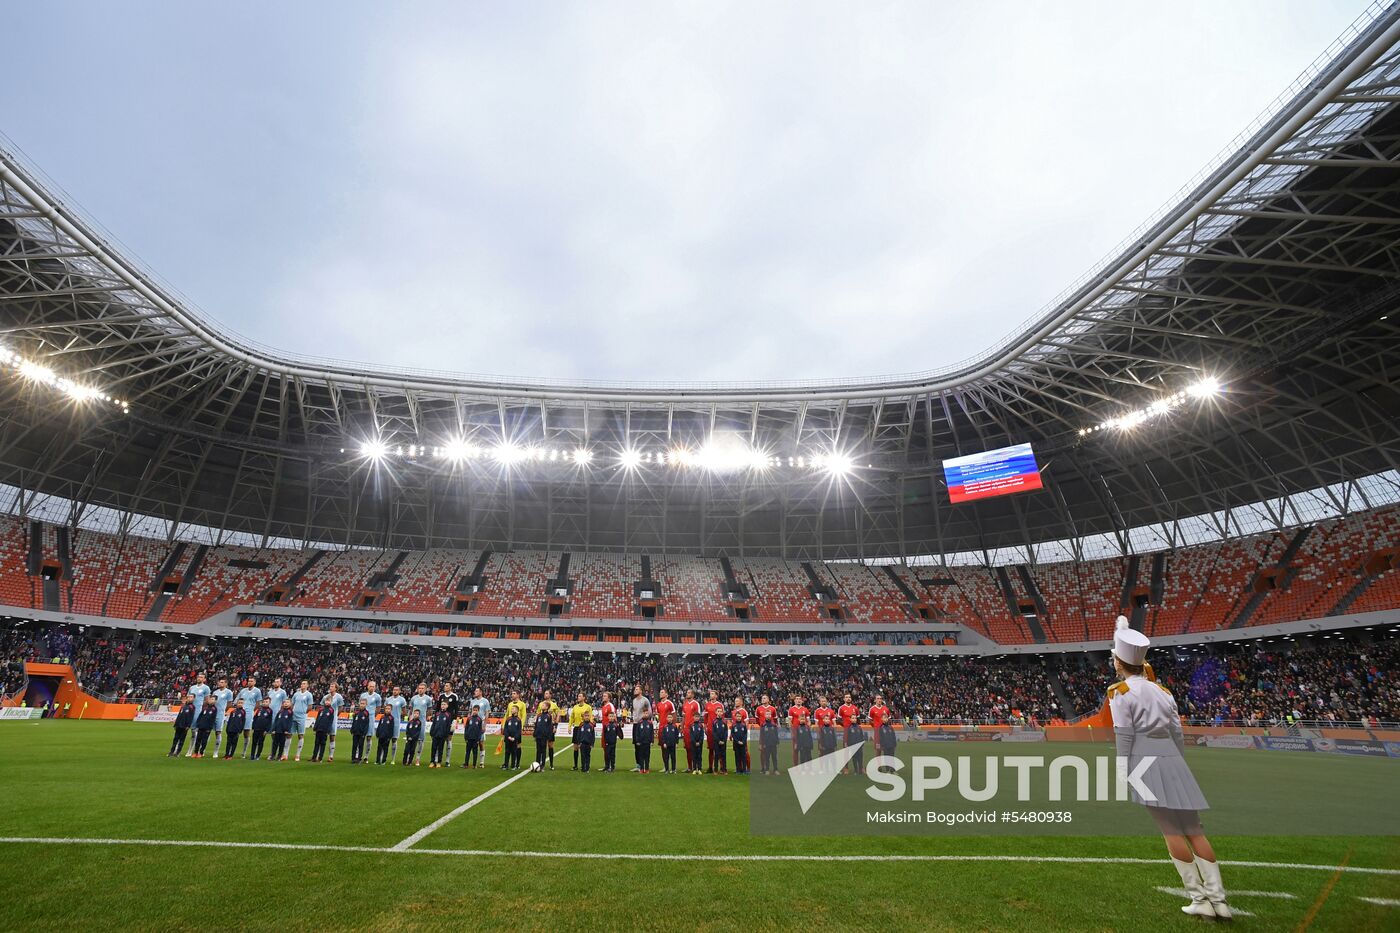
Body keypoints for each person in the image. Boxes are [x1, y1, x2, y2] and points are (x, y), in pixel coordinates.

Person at [1109, 618, 1231, 919]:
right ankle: (1220, 901)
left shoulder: (1120, 692)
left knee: (1170, 830)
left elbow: (1123, 735)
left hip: (1145, 760)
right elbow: (1177, 734)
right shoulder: (1164, 692)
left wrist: (1121, 769)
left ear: (1119, 662)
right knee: (1194, 830)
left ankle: (1199, 898)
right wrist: (1176, 761)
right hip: (1173, 759)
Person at [184, 674, 211, 757]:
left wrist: (203, 711)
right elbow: (187, 698)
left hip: (198, 711)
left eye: (201, 677)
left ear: (204, 679)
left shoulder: (206, 688)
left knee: (195, 731)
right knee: (187, 730)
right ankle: (186, 748)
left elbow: (207, 701)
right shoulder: (192, 687)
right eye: (198, 677)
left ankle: (195, 750)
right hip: (190, 711)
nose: (199, 678)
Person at [236, 677, 262, 757]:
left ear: (255, 682)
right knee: (236, 731)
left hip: (249, 713)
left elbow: (258, 703)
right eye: (249, 681)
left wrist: (253, 711)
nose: (249, 682)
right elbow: (237, 700)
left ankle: (244, 752)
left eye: (251, 681)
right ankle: (232, 750)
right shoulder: (243, 690)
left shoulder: (257, 691)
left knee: (246, 732)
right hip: (240, 713)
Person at [290, 680, 316, 761]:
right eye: (301, 683)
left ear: (307, 685)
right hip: (293, 716)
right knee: (289, 734)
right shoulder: (296, 694)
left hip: (301, 717)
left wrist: (303, 713)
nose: (302, 685)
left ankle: (298, 755)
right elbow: (292, 704)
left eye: (304, 683)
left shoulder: (309, 695)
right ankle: (285, 754)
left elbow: (310, 707)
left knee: (300, 735)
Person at [209, 677, 234, 761]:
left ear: (226, 683)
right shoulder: (215, 692)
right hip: (212, 713)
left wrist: (224, 711)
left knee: (218, 732)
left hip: (220, 714)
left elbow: (230, 703)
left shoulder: (229, 692)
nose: (220, 684)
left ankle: (216, 752)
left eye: (222, 682)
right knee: (207, 731)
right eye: (219, 682)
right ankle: (202, 750)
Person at [358, 681, 382, 766]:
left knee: (369, 737)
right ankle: (358, 755)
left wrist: (373, 716)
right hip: (362, 718)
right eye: (370, 686)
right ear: (367, 686)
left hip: (371, 718)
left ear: (375, 687)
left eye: (373, 686)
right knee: (360, 736)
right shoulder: (363, 695)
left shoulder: (377, 696)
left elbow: (379, 708)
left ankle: (366, 756)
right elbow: (360, 705)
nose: (371, 687)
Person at [568, 692, 593, 771]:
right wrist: (569, 726)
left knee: (584, 748)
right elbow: (571, 717)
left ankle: (585, 765)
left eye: (580, 696)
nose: (578, 697)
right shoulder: (575, 707)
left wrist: (591, 725)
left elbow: (591, 717)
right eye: (578, 696)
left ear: (584, 698)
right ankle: (575, 765)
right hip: (576, 728)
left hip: (585, 728)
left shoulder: (588, 707)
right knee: (575, 748)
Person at [437, 682, 461, 767]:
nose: (445, 687)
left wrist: (455, 720)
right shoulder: (441, 696)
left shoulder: (454, 696)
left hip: (450, 721)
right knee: (439, 739)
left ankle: (447, 760)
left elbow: (456, 709)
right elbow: (437, 708)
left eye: (447, 686)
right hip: (441, 721)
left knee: (449, 739)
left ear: (451, 687)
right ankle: (437, 759)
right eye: (445, 685)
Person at [321, 682, 345, 762]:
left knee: (332, 736)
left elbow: (341, 707)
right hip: (325, 718)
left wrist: (335, 715)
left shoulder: (339, 697)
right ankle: (318, 755)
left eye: (332, 686)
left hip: (333, 719)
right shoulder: (326, 697)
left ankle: (331, 756)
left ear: (335, 688)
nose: (330, 687)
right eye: (330, 686)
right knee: (322, 736)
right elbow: (321, 706)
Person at [410, 684, 434, 764]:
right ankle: (410, 757)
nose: (420, 690)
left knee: (420, 740)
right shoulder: (414, 698)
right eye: (419, 688)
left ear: (425, 689)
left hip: (422, 722)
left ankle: (417, 758)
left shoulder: (428, 699)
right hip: (413, 722)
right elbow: (411, 709)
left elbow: (430, 710)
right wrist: (410, 717)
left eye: (422, 688)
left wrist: (425, 717)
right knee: (411, 740)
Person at [469, 688, 491, 768]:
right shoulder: (472, 701)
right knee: (470, 742)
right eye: (475, 691)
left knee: (481, 743)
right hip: (472, 724)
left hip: (480, 724)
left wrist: (484, 725)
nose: (475, 692)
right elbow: (470, 712)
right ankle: (469, 761)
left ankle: (481, 762)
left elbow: (487, 713)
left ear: (481, 692)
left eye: (476, 691)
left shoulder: (485, 701)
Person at [703, 691, 724, 773]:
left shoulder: (720, 705)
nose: (710, 695)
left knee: (719, 749)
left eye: (712, 694)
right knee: (711, 749)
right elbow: (705, 717)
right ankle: (710, 767)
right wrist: (705, 726)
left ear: (716, 695)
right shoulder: (707, 705)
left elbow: (723, 717)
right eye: (710, 693)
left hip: (718, 730)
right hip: (710, 730)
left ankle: (722, 767)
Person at [385, 685, 407, 763]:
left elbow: (404, 712)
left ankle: (393, 759)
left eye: (397, 690)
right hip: (387, 722)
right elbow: (385, 710)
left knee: (394, 740)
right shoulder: (388, 699)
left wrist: (397, 716)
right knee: (385, 739)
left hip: (396, 722)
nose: (395, 691)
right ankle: (384, 757)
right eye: (394, 689)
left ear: (399, 691)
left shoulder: (402, 700)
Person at [787, 695, 811, 767]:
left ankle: (804, 766)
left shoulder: (805, 709)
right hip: (795, 732)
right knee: (795, 749)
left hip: (804, 732)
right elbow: (790, 721)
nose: (798, 700)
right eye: (797, 699)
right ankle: (795, 766)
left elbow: (808, 721)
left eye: (800, 699)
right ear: (794, 701)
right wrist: (792, 732)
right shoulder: (791, 709)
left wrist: (808, 728)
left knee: (804, 750)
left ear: (802, 700)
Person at [681, 690, 701, 773]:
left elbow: (698, 716)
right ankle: (689, 767)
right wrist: (682, 727)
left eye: (689, 693)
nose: (687, 694)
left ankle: (697, 767)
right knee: (687, 748)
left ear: (692, 695)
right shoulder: (685, 704)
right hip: (686, 729)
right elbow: (683, 717)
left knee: (695, 748)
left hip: (693, 729)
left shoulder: (696, 703)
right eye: (687, 692)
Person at [311, 696, 336, 763]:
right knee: (316, 744)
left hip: (324, 730)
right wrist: (315, 728)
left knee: (322, 744)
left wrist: (328, 730)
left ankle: (320, 758)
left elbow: (330, 721)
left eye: (329, 701)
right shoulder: (321, 709)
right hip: (318, 729)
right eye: (326, 701)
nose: (327, 702)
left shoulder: (331, 710)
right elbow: (317, 719)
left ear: (331, 702)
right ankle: (314, 757)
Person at [429, 701, 453, 768]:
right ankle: (432, 761)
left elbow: (448, 726)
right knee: (433, 748)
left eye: (444, 704)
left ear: (447, 706)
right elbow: (434, 724)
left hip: (442, 735)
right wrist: (432, 732)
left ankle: (439, 762)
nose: (443, 705)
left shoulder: (448, 715)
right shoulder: (437, 714)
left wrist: (446, 734)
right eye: (442, 704)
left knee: (440, 749)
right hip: (435, 734)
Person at [541, 690, 562, 770]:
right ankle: (542, 763)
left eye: (547, 693)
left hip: (550, 727)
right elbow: (538, 714)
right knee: (542, 745)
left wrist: (555, 725)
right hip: (542, 727)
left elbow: (558, 713)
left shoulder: (553, 705)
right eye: (545, 693)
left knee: (550, 745)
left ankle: (551, 764)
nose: (545, 694)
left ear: (550, 695)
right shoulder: (541, 704)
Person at [731, 697, 750, 774]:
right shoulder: (733, 711)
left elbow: (746, 724)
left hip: (742, 736)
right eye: (735, 701)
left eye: (737, 701)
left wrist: (744, 737)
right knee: (737, 753)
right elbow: (733, 724)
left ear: (741, 702)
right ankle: (739, 768)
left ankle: (748, 768)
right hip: (736, 736)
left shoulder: (744, 711)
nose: (735, 702)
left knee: (745, 752)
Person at [532, 702, 553, 771]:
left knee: (543, 751)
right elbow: (536, 725)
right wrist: (534, 734)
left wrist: (549, 736)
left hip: (544, 736)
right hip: (538, 735)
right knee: (538, 750)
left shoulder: (549, 716)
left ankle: (543, 765)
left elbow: (550, 727)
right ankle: (537, 764)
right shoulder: (539, 715)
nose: (542, 706)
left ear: (547, 707)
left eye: (543, 705)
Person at [350, 698, 371, 764]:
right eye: (361, 703)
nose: (362, 705)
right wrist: (352, 729)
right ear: (359, 704)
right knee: (354, 745)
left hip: (362, 733)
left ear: (366, 704)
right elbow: (354, 722)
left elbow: (367, 724)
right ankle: (353, 758)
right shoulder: (356, 712)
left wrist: (364, 733)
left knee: (360, 746)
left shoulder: (366, 713)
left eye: (363, 704)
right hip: (355, 732)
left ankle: (359, 758)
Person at [502, 706, 523, 771]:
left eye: (513, 709)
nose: (511, 710)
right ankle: (506, 765)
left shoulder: (518, 720)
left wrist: (514, 738)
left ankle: (513, 765)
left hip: (514, 739)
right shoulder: (508, 719)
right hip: (508, 738)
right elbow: (505, 729)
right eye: (511, 709)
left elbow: (519, 731)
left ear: (517, 711)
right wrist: (508, 736)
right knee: (507, 752)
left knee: (514, 752)